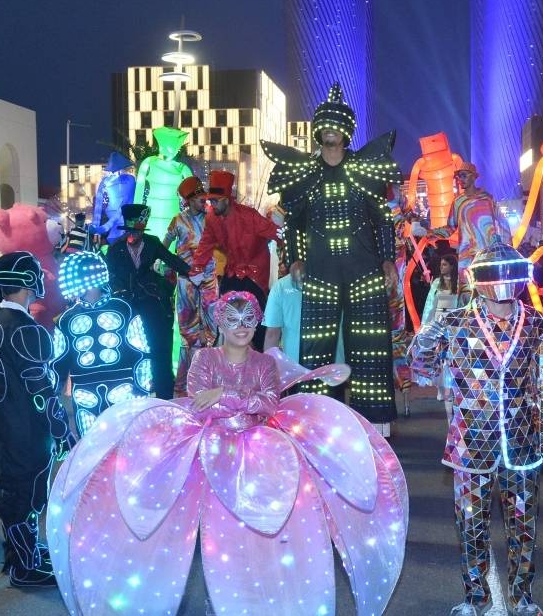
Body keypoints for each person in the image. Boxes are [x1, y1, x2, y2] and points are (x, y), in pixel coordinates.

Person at [46, 291, 408, 615]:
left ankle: (254, 598)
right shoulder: (204, 358)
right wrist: (233, 402)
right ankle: (218, 600)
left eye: (248, 319)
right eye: (233, 320)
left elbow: (267, 404)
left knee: (259, 529)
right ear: (220, 322)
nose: (242, 327)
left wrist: (224, 396)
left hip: (259, 450)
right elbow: (199, 404)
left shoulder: (265, 363)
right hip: (207, 450)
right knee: (208, 531)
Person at [409, 243, 543, 616]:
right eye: (495, 276)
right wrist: (431, 332)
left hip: (522, 444)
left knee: (523, 525)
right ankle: (476, 598)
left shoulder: (540, 325)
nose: (503, 285)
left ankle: (522, 597)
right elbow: (419, 363)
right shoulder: (455, 322)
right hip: (471, 442)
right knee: (471, 527)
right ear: (479, 281)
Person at [261, 82, 401, 433]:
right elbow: (292, 223)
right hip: (320, 273)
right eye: (325, 125)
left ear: (347, 131)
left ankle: (376, 424)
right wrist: (295, 258)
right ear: (317, 130)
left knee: (370, 346)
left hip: (364, 271)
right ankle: (315, 421)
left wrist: (387, 261)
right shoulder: (304, 174)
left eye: (337, 125)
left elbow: (383, 219)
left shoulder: (364, 170)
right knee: (316, 347)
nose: (331, 131)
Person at [0, 251, 74, 587]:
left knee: (12, 493)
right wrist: (60, 428)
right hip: (26, 429)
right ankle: (23, 565)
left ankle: (21, 553)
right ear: (28, 282)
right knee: (27, 497)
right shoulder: (26, 330)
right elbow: (42, 391)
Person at [52, 251, 152, 437]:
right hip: (84, 392)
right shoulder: (66, 320)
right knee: (91, 446)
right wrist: (51, 396)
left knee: (125, 442)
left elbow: (141, 352)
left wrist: (142, 389)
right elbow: (57, 362)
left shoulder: (124, 310)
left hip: (123, 388)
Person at [104, 203, 195, 399]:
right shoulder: (115, 249)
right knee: (130, 352)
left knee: (159, 349)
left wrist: (193, 272)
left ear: (142, 230)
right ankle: (134, 395)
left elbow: (172, 260)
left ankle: (165, 396)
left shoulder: (152, 243)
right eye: (129, 231)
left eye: (136, 231)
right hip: (127, 306)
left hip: (153, 305)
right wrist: (118, 292)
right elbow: (109, 274)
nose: (132, 235)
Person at [189, 170, 280, 352]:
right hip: (232, 272)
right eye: (210, 200)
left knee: (257, 320)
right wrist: (197, 268)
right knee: (226, 315)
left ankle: (262, 361)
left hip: (255, 275)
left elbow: (276, 233)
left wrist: (295, 247)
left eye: (215, 200)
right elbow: (206, 243)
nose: (211, 204)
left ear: (226, 199)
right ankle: (231, 362)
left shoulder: (250, 216)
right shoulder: (212, 218)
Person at [164, 175, 218, 396]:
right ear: (188, 200)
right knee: (188, 330)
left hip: (209, 279)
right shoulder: (177, 221)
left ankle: (210, 383)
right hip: (186, 280)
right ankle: (184, 388)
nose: (203, 202)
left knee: (212, 326)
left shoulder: (212, 219)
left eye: (204, 198)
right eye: (198, 199)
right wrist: (168, 269)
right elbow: (164, 246)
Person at [432, 161, 511, 294]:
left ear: (474, 177)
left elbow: (503, 223)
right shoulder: (458, 202)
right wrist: (430, 233)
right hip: (466, 256)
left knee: (489, 292)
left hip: (488, 254)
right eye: (458, 177)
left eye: (464, 175)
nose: (460, 180)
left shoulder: (487, 199)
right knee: (467, 296)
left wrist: (505, 247)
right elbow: (450, 228)